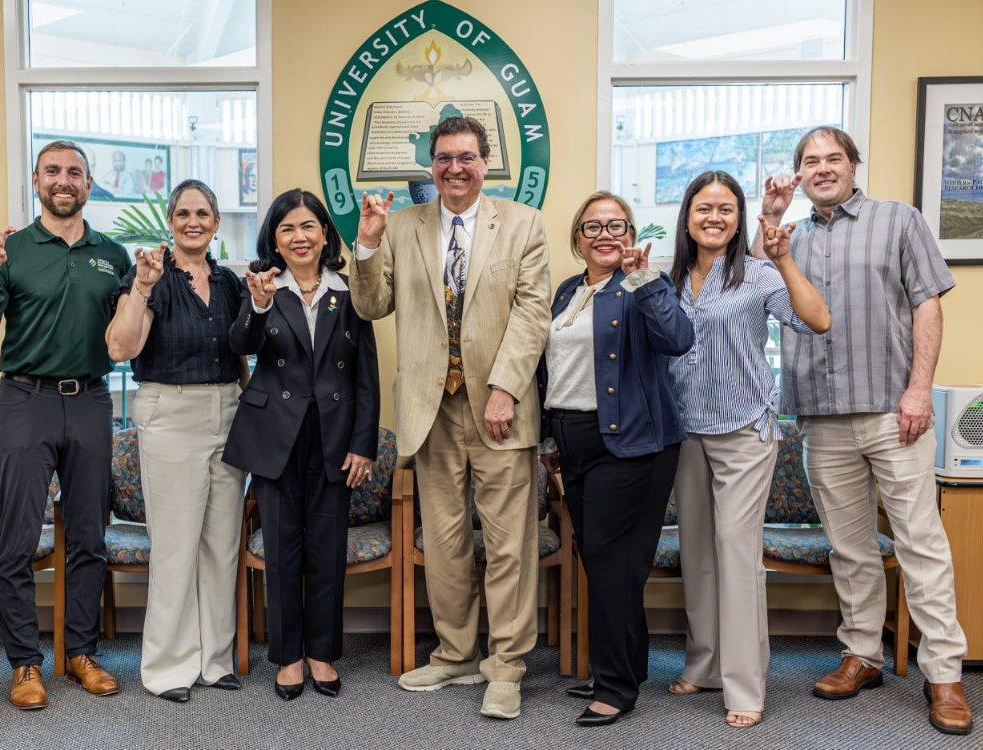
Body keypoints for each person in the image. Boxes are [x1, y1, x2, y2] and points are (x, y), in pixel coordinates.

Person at [757, 125, 972, 736]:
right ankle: (862, 655)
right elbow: (746, 285)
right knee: (849, 548)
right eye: (810, 161)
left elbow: (927, 303)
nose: (822, 168)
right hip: (820, 417)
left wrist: (918, 389)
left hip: (890, 409)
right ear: (798, 174)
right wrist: (770, 213)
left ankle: (945, 675)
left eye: (833, 158)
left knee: (920, 544)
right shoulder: (786, 234)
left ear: (854, 164)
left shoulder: (897, 220)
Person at [352, 116, 550, 719]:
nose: (454, 168)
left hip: (498, 410)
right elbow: (371, 303)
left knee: (509, 543)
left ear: (485, 163)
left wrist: (506, 389)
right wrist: (366, 242)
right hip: (429, 410)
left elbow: (532, 311)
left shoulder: (521, 223)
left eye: (466, 157)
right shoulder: (403, 225)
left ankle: (507, 666)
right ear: (431, 166)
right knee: (443, 543)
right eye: (443, 158)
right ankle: (457, 652)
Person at [0, 140, 132, 710]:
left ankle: (80, 653)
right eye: (53, 171)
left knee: (89, 537)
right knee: (18, 538)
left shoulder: (114, 255)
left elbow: (126, 339)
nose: (64, 180)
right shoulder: (13, 251)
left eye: (75, 172)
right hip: (25, 400)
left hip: (90, 401)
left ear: (89, 183)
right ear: (36, 181)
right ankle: (24, 664)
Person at [664, 171, 830, 729]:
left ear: (739, 220)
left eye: (726, 210)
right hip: (686, 432)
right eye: (704, 208)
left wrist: (784, 258)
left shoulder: (760, 273)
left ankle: (743, 685)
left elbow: (817, 319)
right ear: (687, 216)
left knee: (736, 554)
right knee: (700, 555)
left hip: (743, 430)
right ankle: (706, 663)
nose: (714, 217)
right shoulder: (668, 279)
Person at [536, 191, 693, 726]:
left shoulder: (646, 284)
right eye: (592, 226)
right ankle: (623, 667)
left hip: (634, 443)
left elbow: (678, 339)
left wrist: (644, 280)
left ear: (630, 233)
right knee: (605, 562)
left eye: (616, 224)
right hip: (574, 438)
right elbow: (552, 373)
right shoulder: (566, 291)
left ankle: (616, 685)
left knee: (610, 563)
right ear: (577, 238)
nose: (605, 234)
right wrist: (549, 440)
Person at [223, 188, 380, 701]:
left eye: (308, 226)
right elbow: (240, 347)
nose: (299, 236)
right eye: (287, 228)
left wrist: (364, 444)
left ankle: (322, 654)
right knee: (283, 550)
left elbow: (365, 375)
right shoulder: (264, 289)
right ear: (274, 237)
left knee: (326, 551)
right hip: (275, 438)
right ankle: (288, 657)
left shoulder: (350, 288)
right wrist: (259, 304)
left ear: (324, 234)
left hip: (335, 438)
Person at [105, 179, 248, 704]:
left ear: (215, 222)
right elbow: (121, 348)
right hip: (170, 412)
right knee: (175, 547)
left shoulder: (230, 283)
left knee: (220, 544)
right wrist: (141, 289)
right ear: (171, 220)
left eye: (203, 212)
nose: (194, 221)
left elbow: (238, 356)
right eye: (184, 212)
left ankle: (214, 661)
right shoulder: (150, 277)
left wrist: (247, 412)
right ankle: (167, 668)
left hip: (227, 411)